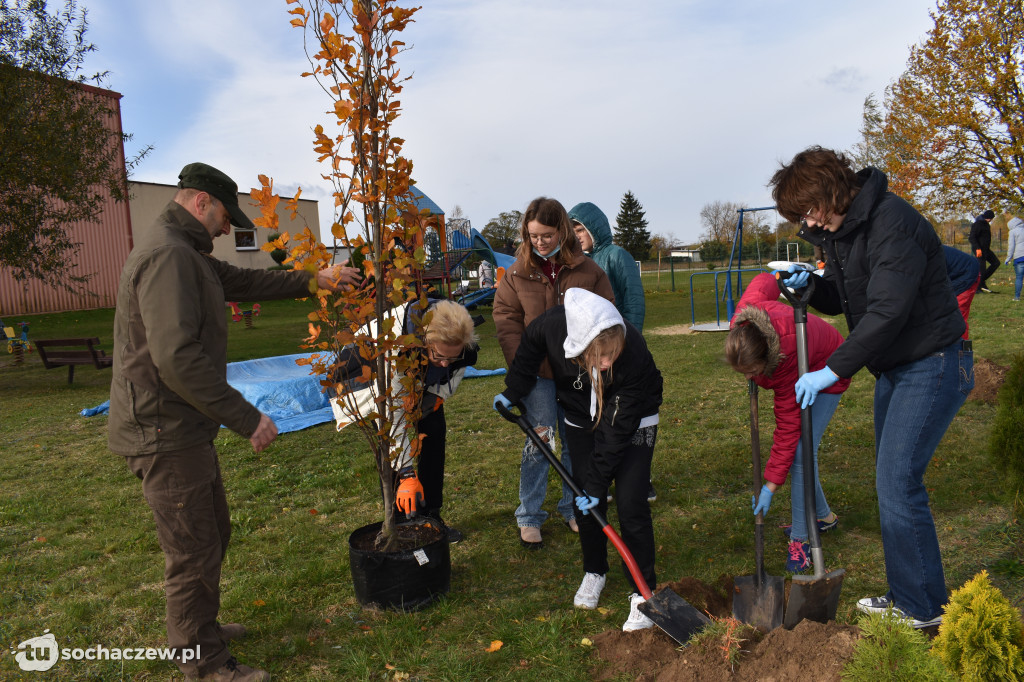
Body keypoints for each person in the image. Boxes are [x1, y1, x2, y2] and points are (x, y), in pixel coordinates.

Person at [108, 163, 361, 681]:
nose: (229, 229)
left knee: (211, 532)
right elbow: (176, 358)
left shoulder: (190, 254)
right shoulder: (168, 256)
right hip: (162, 431)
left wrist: (316, 277)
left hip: (179, 427)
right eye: (226, 217)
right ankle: (201, 663)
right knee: (193, 550)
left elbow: (244, 279)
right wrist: (246, 418)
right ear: (201, 202)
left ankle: (201, 627)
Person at [770, 146, 973, 630]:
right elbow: (848, 298)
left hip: (934, 361)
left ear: (833, 191)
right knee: (893, 484)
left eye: (810, 211)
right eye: (802, 217)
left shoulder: (892, 221)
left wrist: (831, 370)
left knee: (898, 482)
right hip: (898, 367)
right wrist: (810, 288)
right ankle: (910, 595)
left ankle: (923, 610)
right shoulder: (845, 229)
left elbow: (887, 312)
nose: (811, 224)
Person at [494, 287, 662, 631]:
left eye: (611, 355)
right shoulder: (553, 327)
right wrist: (513, 390)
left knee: (630, 502)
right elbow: (528, 350)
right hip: (579, 416)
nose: (606, 364)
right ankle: (595, 570)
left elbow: (616, 433)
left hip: (633, 419)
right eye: (599, 357)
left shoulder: (633, 352)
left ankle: (643, 593)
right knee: (586, 499)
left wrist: (599, 482)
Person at [493, 197, 614, 548]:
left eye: (546, 235)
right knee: (540, 440)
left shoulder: (588, 271)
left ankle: (574, 508)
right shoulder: (517, 273)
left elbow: (606, 315)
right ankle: (529, 514)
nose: (540, 242)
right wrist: (522, 369)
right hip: (538, 374)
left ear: (562, 230)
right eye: (533, 236)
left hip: (577, 373)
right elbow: (506, 319)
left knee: (577, 441)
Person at [726, 272, 851, 572]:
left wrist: (770, 485)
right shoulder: (744, 319)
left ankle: (801, 540)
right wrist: (778, 276)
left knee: (799, 451)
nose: (747, 378)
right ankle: (823, 517)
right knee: (803, 453)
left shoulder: (786, 361)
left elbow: (787, 430)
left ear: (767, 359)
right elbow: (763, 282)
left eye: (752, 371)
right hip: (799, 351)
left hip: (828, 367)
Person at [329, 298, 479, 543]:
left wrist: (436, 396)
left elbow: (455, 367)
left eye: (451, 357)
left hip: (417, 375)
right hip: (367, 377)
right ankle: (399, 522)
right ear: (424, 340)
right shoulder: (393, 344)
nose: (445, 363)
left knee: (434, 430)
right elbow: (392, 415)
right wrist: (408, 473)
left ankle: (431, 516)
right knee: (389, 446)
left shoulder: (460, 342)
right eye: (440, 355)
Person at [568, 202, 656, 503]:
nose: (577, 235)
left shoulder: (617, 255)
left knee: (627, 415)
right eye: (573, 230)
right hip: (594, 353)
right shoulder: (580, 261)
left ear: (595, 228)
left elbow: (634, 300)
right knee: (600, 415)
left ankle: (639, 479)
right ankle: (601, 480)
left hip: (619, 349)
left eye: (581, 228)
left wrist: (629, 346)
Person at [943, 245, 980, 335]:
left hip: (967, 274)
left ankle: (961, 347)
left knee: (957, 319)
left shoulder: (924, 253)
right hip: (955, 274)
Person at [969, 209, 999, 293]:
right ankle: (978, 287)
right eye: (991, 218)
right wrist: (977, 248)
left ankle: (981, 282)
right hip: (979, 249)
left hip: (986, 249)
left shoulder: (987, 225)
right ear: (988, 217)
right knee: (981, 268)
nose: (991, 220)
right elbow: (972, 237)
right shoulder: (978, 224)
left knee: (996, 263)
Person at [1004, 217, 1024, 301]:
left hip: (1019, 257)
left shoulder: (1012, 232)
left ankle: (1017, 297)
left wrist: (1008, 258)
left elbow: (1011, 247)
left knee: (1019, 277)